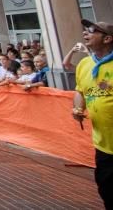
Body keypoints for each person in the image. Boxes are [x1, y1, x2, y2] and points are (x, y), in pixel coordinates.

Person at [74, 19, 113, 208]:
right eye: (85, 30)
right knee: (107, 190)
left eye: (92, 30)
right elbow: (80, 91)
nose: (85, 33)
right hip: (104, 145)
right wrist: (78, 108)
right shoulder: (84, 65)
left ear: (107, 39)